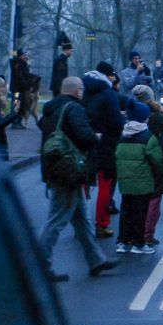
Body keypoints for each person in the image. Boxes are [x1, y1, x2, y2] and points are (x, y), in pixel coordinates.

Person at [38, 76, 115, 281]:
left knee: (82, 219)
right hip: (69, 170)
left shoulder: (50, 109)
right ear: (77, 90)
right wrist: (95, 137)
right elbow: (84, 135)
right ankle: (40, 265)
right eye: (81, 90)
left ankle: (96, 260)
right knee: (57, 220)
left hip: (56, 167)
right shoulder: (74, 109)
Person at [114, 99, 163, 255]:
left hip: (125, 182)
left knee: (126, 211)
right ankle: (139, 243)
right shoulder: (148, 137)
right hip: (143, 183)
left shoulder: (122, 136)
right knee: (140, 213)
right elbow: (157, 161)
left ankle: (122, 241)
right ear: (145, 118)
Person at [132, 85, 163, 247]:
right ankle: (147, 233)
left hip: (135, 154)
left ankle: (132, 232)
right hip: (155, 154)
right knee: (154, 195)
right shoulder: (156, 115)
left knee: (135, 195)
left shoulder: (130, 112)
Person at [83, 64, 125, 238]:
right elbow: (116, 122)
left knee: (83, 184)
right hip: (106, 144)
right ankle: (102, 224)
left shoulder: (84, 90)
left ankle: (82, 222)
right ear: (108, 76)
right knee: (105, 186)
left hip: (85, 141)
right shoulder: (108, 94)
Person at [9, 49, 33, 128]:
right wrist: (27, 84)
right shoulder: (18, 63)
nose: (26, 56)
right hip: (17, 89)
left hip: (21, 88)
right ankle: (15, 122)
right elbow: (20, 76)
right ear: (21, 55)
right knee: (16, 104)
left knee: (21, 104)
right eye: (25, 54)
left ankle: (18, 121)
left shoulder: (22, 63)